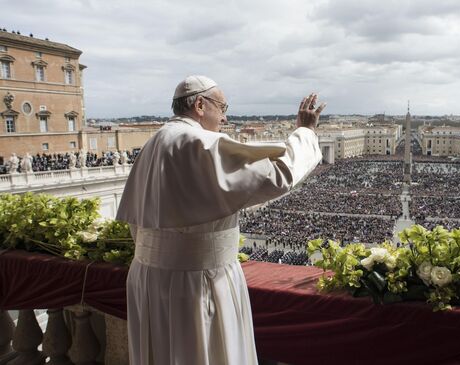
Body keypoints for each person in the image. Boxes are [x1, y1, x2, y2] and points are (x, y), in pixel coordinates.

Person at [116, 75, 324, 365]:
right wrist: (305, 132)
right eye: (223, 108)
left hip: (148, 277)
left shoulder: (154, 143)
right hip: (198, 281)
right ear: (200, 104)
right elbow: (277, 175)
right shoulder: (198, 143)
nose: (225, 118)